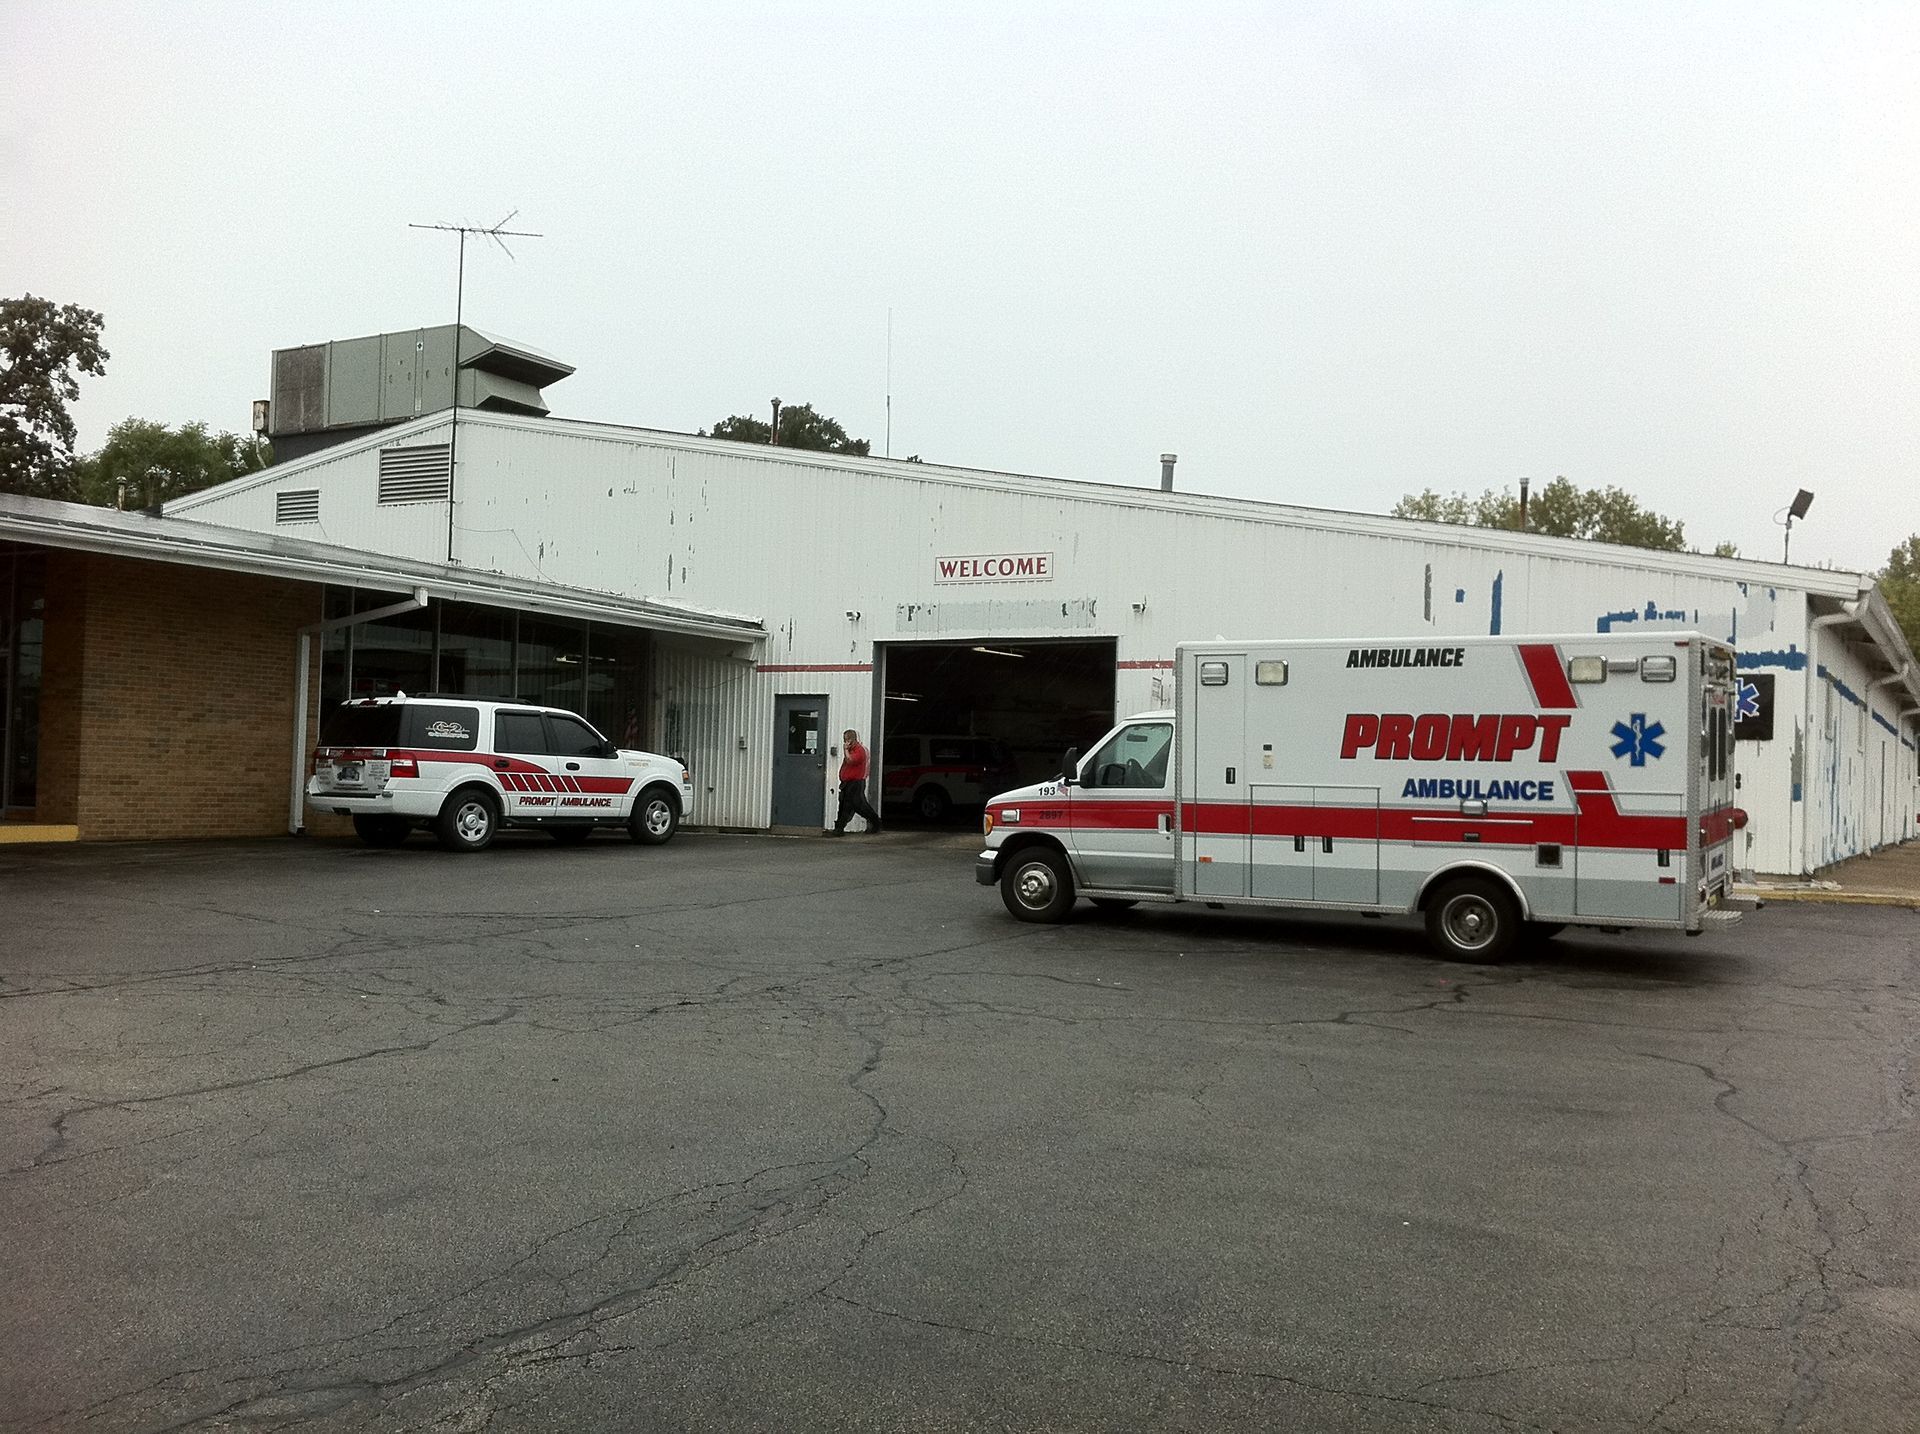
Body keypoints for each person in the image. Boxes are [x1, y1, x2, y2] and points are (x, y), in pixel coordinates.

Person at [830, 728, 883, 835]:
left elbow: (850, 761)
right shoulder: (852, 750)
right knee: (845, 805)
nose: (845, 743)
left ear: (852, 740)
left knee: (859, 806)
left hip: (856, 783)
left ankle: (875, 822)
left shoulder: (860, 751)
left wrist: (845, 750)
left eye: (846, 740)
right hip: (847, 783)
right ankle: (839, 828)